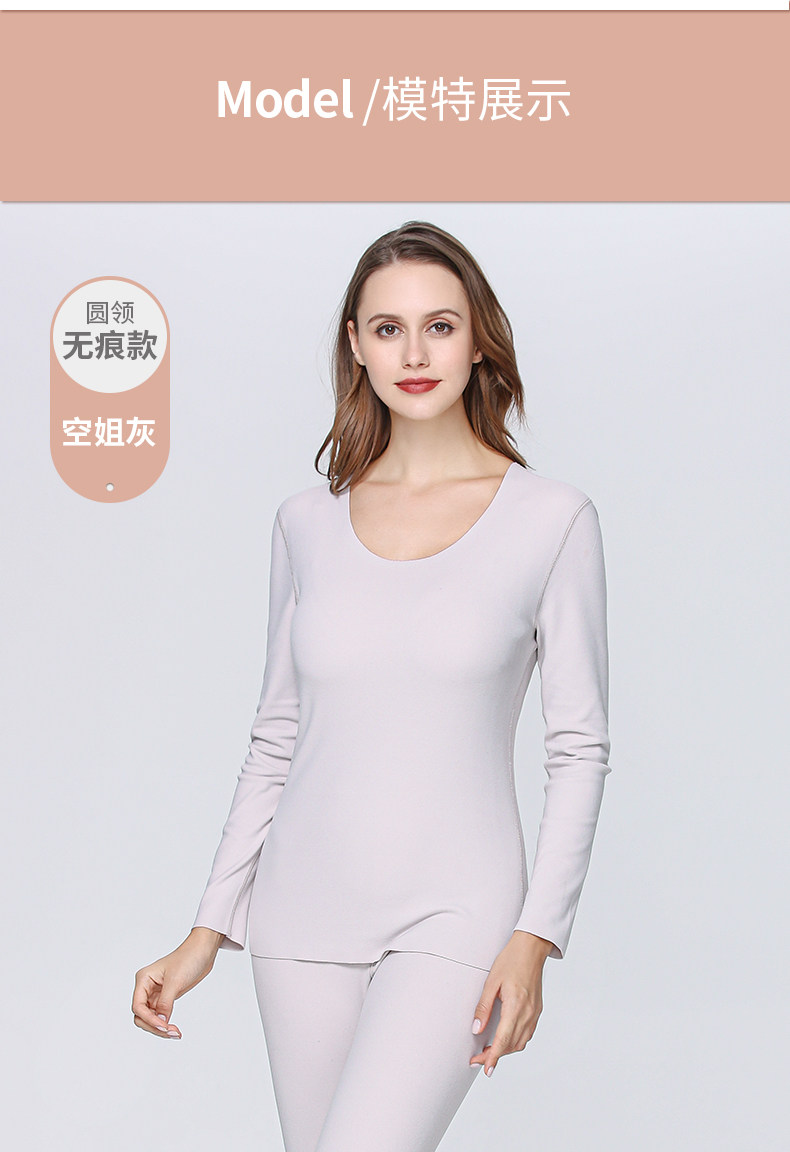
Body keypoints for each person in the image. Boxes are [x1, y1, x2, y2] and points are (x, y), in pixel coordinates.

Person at [132, 221, 612, 1152]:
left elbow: (579, 748)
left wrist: (536, 936)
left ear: (479, 341)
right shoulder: (305, 524)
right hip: (299, 914)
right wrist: (207, 929)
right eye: (389, 329)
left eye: (440, 326)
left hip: (459, 913)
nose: (415, 354)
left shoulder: (552, 520)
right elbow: (276, 737)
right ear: (355, 344)